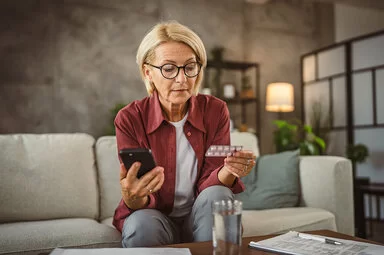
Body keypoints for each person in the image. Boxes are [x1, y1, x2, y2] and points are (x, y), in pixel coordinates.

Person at [113, 20, 256, 247]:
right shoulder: (130, 118)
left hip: (199, 214)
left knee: (218, 196)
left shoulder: (215, 110)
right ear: (148, 72)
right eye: (169, 68)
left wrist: (229, 169)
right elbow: (140, 195)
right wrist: (132, 196)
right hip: (153, 215)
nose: (182, 79)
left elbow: (212, 187)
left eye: (190, 67)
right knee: (141, 224)